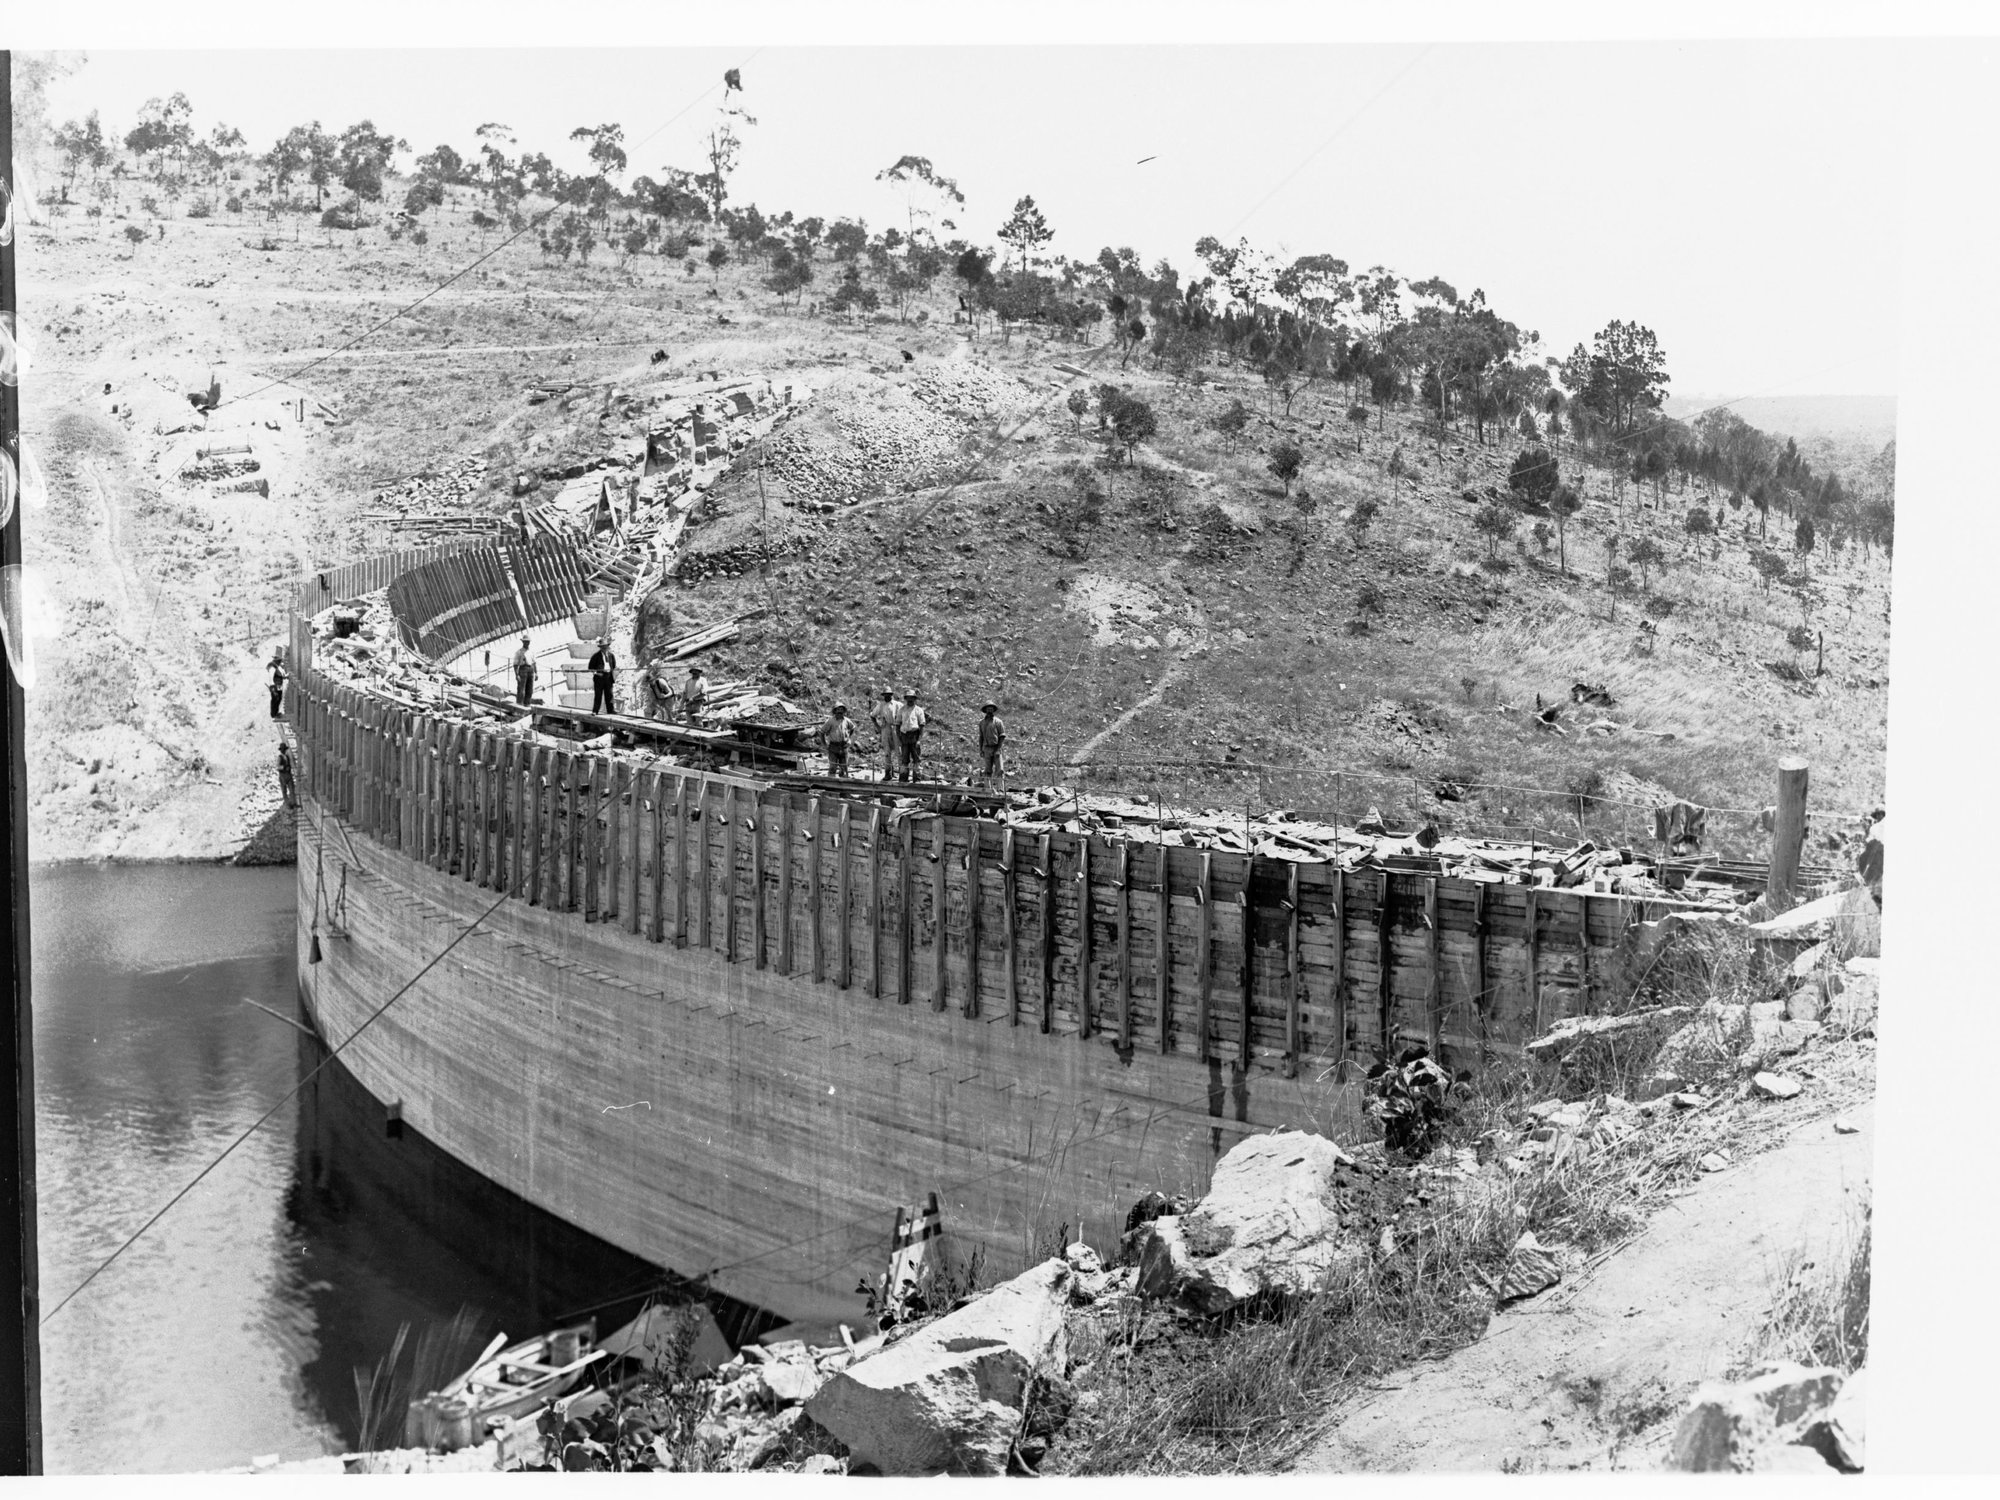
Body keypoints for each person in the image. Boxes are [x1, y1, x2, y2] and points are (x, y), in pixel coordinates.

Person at [870, 688, 904, 781]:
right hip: (885, 728)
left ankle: (902, 774)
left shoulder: (898, 704)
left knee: (899, 751)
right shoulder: (880, 705)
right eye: (885, 695)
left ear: (891, 695)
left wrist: (901, 727)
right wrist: (877, 726)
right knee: (887, 752)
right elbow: (872, 715)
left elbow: (904, 715)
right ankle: (888, 773)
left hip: (896, 728)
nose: (887, 696)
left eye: (888, 694)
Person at [897, 687, 928, 783]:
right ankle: (903, 778)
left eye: (912, 698)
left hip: (914, 735)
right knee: (904, 758)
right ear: (906, 699)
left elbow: (922, 725)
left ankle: (916, 778)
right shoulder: (901, 710)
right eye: (908, 698)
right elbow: (898, 724)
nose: (910, 700)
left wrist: (919, 739)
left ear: (915, 699)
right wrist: (899, 737)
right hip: (904, 736)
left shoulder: (919, 710)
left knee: (916, 759)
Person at [821, 702, 856, 778]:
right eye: (838, 709)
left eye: (841, 710)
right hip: (833, 746)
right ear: (835, 711)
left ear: (844, 711)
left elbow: (853, 728)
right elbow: (822, 732)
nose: (840, 711)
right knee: (833, 766)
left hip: (844, 747)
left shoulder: (847, 721)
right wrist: (824, 744)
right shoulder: (830, 721)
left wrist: (849, 739)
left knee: (844, 767)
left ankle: (843, 784)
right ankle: (831, 783)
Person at [977, 702, 1006, 788]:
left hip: (996, 747)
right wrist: (981, 749)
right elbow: (981, 737)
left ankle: (1000, 789)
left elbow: (1002, 736)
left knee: (999, 769)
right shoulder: (981, 723)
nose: (989, 710)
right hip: (986, 748)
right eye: (988, 708)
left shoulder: (998, 722)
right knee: (987, 770)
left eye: (991, 708)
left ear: (993, 710)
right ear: (985, 710)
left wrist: (998, 749)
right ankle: (987, 789)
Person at [588, 636, 618, 715]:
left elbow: (614, 666)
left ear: (608, 646)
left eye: (606, 647)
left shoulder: (611, 656)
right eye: (603, 647)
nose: (605, 648)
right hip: (599, 678)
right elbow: (590, 668)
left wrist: (614, 674)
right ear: (600, 647)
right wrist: (597, 673)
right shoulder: (596, 656)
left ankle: (611, 710)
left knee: (610, 695)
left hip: (608, 677)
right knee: (598, 695)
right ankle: (595, 711)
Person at [512, 636, 536, 706]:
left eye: (528, 641)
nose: (527, 643)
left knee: (530, 689)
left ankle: (527, 704)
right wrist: (517, 675)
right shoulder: (519, 652)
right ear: (523, 642)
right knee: (521, 689)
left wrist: (536, 673)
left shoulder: (531, 651)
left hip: (531, 670)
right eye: (525, 641)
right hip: (523, 669)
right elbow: (515, 664)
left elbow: (534, 663)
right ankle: (519, 704)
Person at [266, 649, 288, 720]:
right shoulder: (272, 666)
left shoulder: (277, 667)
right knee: (275, 699)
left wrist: (286, 676)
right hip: (274, 686)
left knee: (278, 699)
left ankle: (276, 712)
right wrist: (272, 687)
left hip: (278, 685)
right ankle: (273, 714)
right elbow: (271, 677)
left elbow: (281, 675)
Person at [276, 741, 296, 808]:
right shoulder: (279, 758)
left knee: (292, 789)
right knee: (284, 790)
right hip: (283, 775)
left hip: (288, 774)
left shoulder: (287, 756)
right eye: (283, 750)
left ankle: (293, 803)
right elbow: (277, 766)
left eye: (284, 749)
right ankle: (288, 804)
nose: (283, 751)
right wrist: (284, 767)